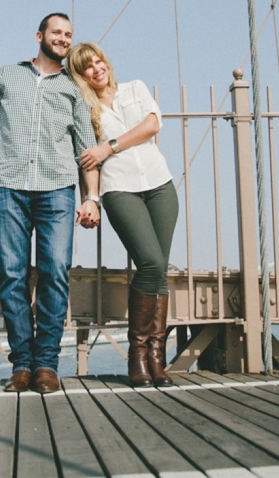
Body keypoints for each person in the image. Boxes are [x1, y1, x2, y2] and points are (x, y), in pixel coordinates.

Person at [0, 13, 101, 395]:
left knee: (55, 271)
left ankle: (46, 365)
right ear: (40, 36)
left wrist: (92, 197)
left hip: (57, 187)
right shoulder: (6, 75)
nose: (63, 39)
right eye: (57, 32)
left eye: (69, 35)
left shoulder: (73, 88)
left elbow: (85, 148)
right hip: (7, 184)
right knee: (13, 275)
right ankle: (21, 364)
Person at [67, 42, 178, 387]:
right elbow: (88, 160)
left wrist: (109, 147)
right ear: (80, 75)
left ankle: (155, 358)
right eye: (87, 66)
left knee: (159, 268)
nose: (96, 69)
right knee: (150, 263)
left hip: (160, 184)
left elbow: (152, 126)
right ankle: (138, 354)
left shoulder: (135, 88)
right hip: (120, 189)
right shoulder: (84, 109)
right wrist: (93, 199)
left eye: (98, 61)